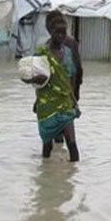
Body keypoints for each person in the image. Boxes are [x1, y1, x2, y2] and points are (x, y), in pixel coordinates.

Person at [27, 11, 82, 162]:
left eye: (63, 32)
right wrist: (37, 99)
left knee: (72, 144)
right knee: (47, 145)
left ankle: (73, 175)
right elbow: (32, 78)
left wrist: (74, 100)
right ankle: (45, 171)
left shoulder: (68, 52)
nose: (61, 36)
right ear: (50, 32)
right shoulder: (42, 53)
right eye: (58, 32)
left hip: (64, 104)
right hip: (47, 105)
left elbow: (73, 76)